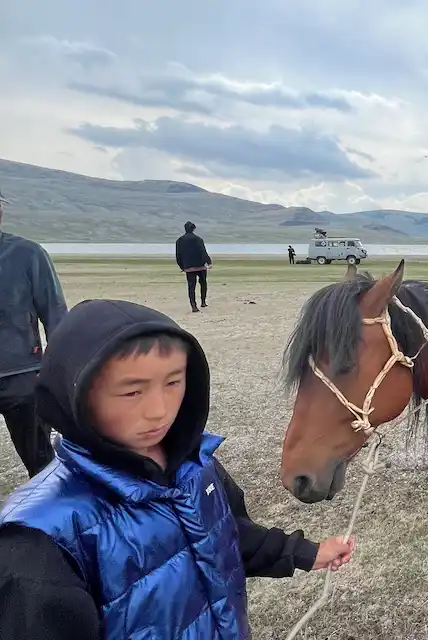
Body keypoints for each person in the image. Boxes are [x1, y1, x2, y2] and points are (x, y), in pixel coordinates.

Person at [0, 299, 355, 638]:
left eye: (173, 382)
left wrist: (307, 553)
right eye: (132, 392)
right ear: (73, 396)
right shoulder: (39, 543)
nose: (159, 410)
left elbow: (225, 535)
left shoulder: (194, 466)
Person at [0, 186, 67, 478]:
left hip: (22, 374)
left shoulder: (27, 254)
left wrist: (58, 368)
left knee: (41, 462)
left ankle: (49, 522)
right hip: (22, 372)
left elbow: (54, 313)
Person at [175, 220, 212, 312]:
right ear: (194, 229)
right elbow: (203, 251)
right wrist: (208, 262)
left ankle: (193, 306)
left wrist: (182, 266)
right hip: (200, 265)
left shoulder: (179, 240)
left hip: (188, 267)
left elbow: (178, 255)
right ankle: (203, 302)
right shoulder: (198, 239)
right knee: (203, 283)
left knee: (191, 286)